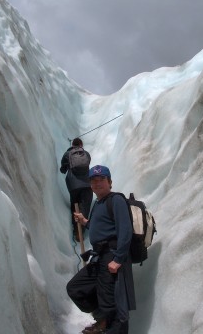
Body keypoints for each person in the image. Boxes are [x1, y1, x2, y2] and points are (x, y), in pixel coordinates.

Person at [67, 165, 136, 334]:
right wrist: (85, 221)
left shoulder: (116, 200)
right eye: (93, 181)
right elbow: (101, 227)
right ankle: (103, 318)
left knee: (110, 299)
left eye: (101, 180)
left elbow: (125, 230)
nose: (97, 184)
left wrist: (118, 259)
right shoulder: (98, 204)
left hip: (111, 254)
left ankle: (108, 324)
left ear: (110, 182)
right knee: (75, 288)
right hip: (99, 256)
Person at [60, 138, 93, 241]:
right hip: (87, 184)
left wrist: (66, 167)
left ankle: (76, 230)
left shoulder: (67, 154)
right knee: (85, 207)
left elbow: (62, 170)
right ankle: (81, 232)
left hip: (73, 184)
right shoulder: (86, 153)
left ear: (72, 144)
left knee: (75, 207)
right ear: (81, 145)